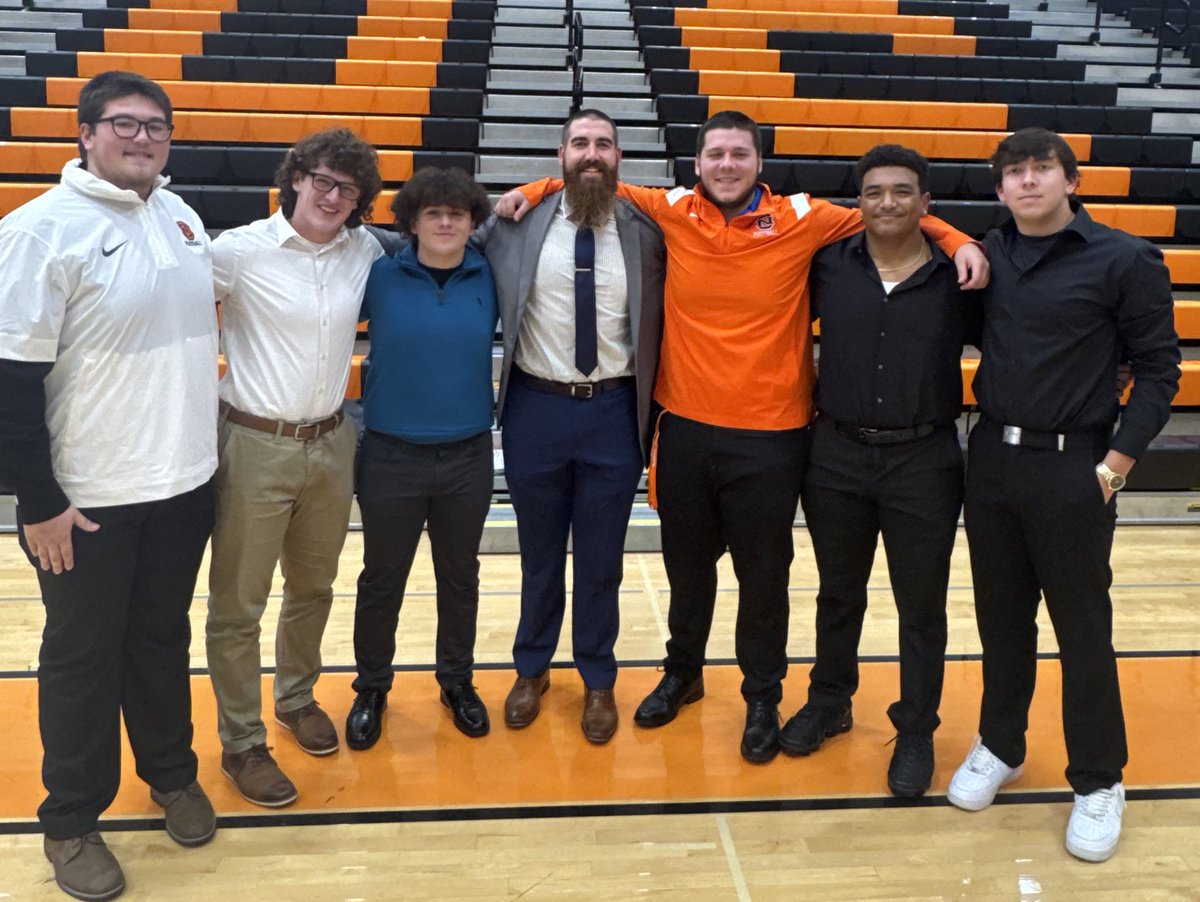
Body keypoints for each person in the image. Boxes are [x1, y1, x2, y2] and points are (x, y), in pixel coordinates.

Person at [497, 110, 987, 763]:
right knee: (687, 573)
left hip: (773, 436)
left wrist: (961, 241)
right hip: (685, 428)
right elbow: (588, 175)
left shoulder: (804, 217)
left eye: (739, 154)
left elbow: (895, 214)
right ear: (697, 165)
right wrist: (531, 189)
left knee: (764, 581)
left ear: (759, 165)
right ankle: (684, 672)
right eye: (715, 155)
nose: (726, 165)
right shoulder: (670, 208)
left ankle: (763, 695)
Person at [0, 70, 218, 901]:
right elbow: (10, 384)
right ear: (86, 133)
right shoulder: (38, 231)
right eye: (124, 124)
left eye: (157, 126)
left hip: (182, 484)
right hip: (86, 500)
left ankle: (170, 773)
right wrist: (39, 502)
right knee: (82, 659)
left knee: (161, 640)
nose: (142, 138)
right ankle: (71, 822)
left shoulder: (180, 214)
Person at [947, 127, 1180, 862]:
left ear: (1070, 181)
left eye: (1040, 169)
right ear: (999, 189)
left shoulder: (1124, 257)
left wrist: (1114, 467)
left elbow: (1160, 371)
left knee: (1082, 630)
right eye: (1012, 172)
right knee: (1001, 621)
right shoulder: (991, 255)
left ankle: (1099, 779)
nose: (1026, 182)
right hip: (991, 460)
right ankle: (1002, 744)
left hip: (1074, 467)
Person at [778, 145, 980, 798]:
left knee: (921, 605)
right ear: (857, 204)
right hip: (834, 452)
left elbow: (1024, 337)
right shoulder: (826, 264)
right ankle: (831, 699)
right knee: (838, 591)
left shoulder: (962, 275)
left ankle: (916, 728)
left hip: (925, 457)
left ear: (926, 203)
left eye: (901, 191)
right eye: (873, 193)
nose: (886, 202)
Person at [205, 128, 383, 807]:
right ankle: (242, 741)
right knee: (238, 605)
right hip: (254, 442)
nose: (334, 196)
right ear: (297, 177)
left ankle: (296, 697)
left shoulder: (362, 250)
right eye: (324, 181)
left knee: (313, 588)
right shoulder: (237, 252)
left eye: (350, 188)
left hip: (334, 441)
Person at [486, 109, 666, 745]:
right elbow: (443, 235)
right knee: (538, 557)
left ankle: (598, 677)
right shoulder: (516, 222)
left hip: (614, 412)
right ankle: (531, 668)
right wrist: (529, 190)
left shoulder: (650, 229)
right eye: (581, 143)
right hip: (536, 407)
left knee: (600, 560)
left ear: (620, 157)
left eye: (604, 144)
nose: (593, 154)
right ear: (559, 154)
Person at [343, 167, 498, 748]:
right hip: (390, 453)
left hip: (467, 454)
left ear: (472, 222)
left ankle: (456, 680)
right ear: (410, 221)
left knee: (460, 577)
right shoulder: (376, 275)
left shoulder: (492, 274)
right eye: (432, 212)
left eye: (456, 213)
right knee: (383, 578)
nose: (445, 221)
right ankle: (372, 686)